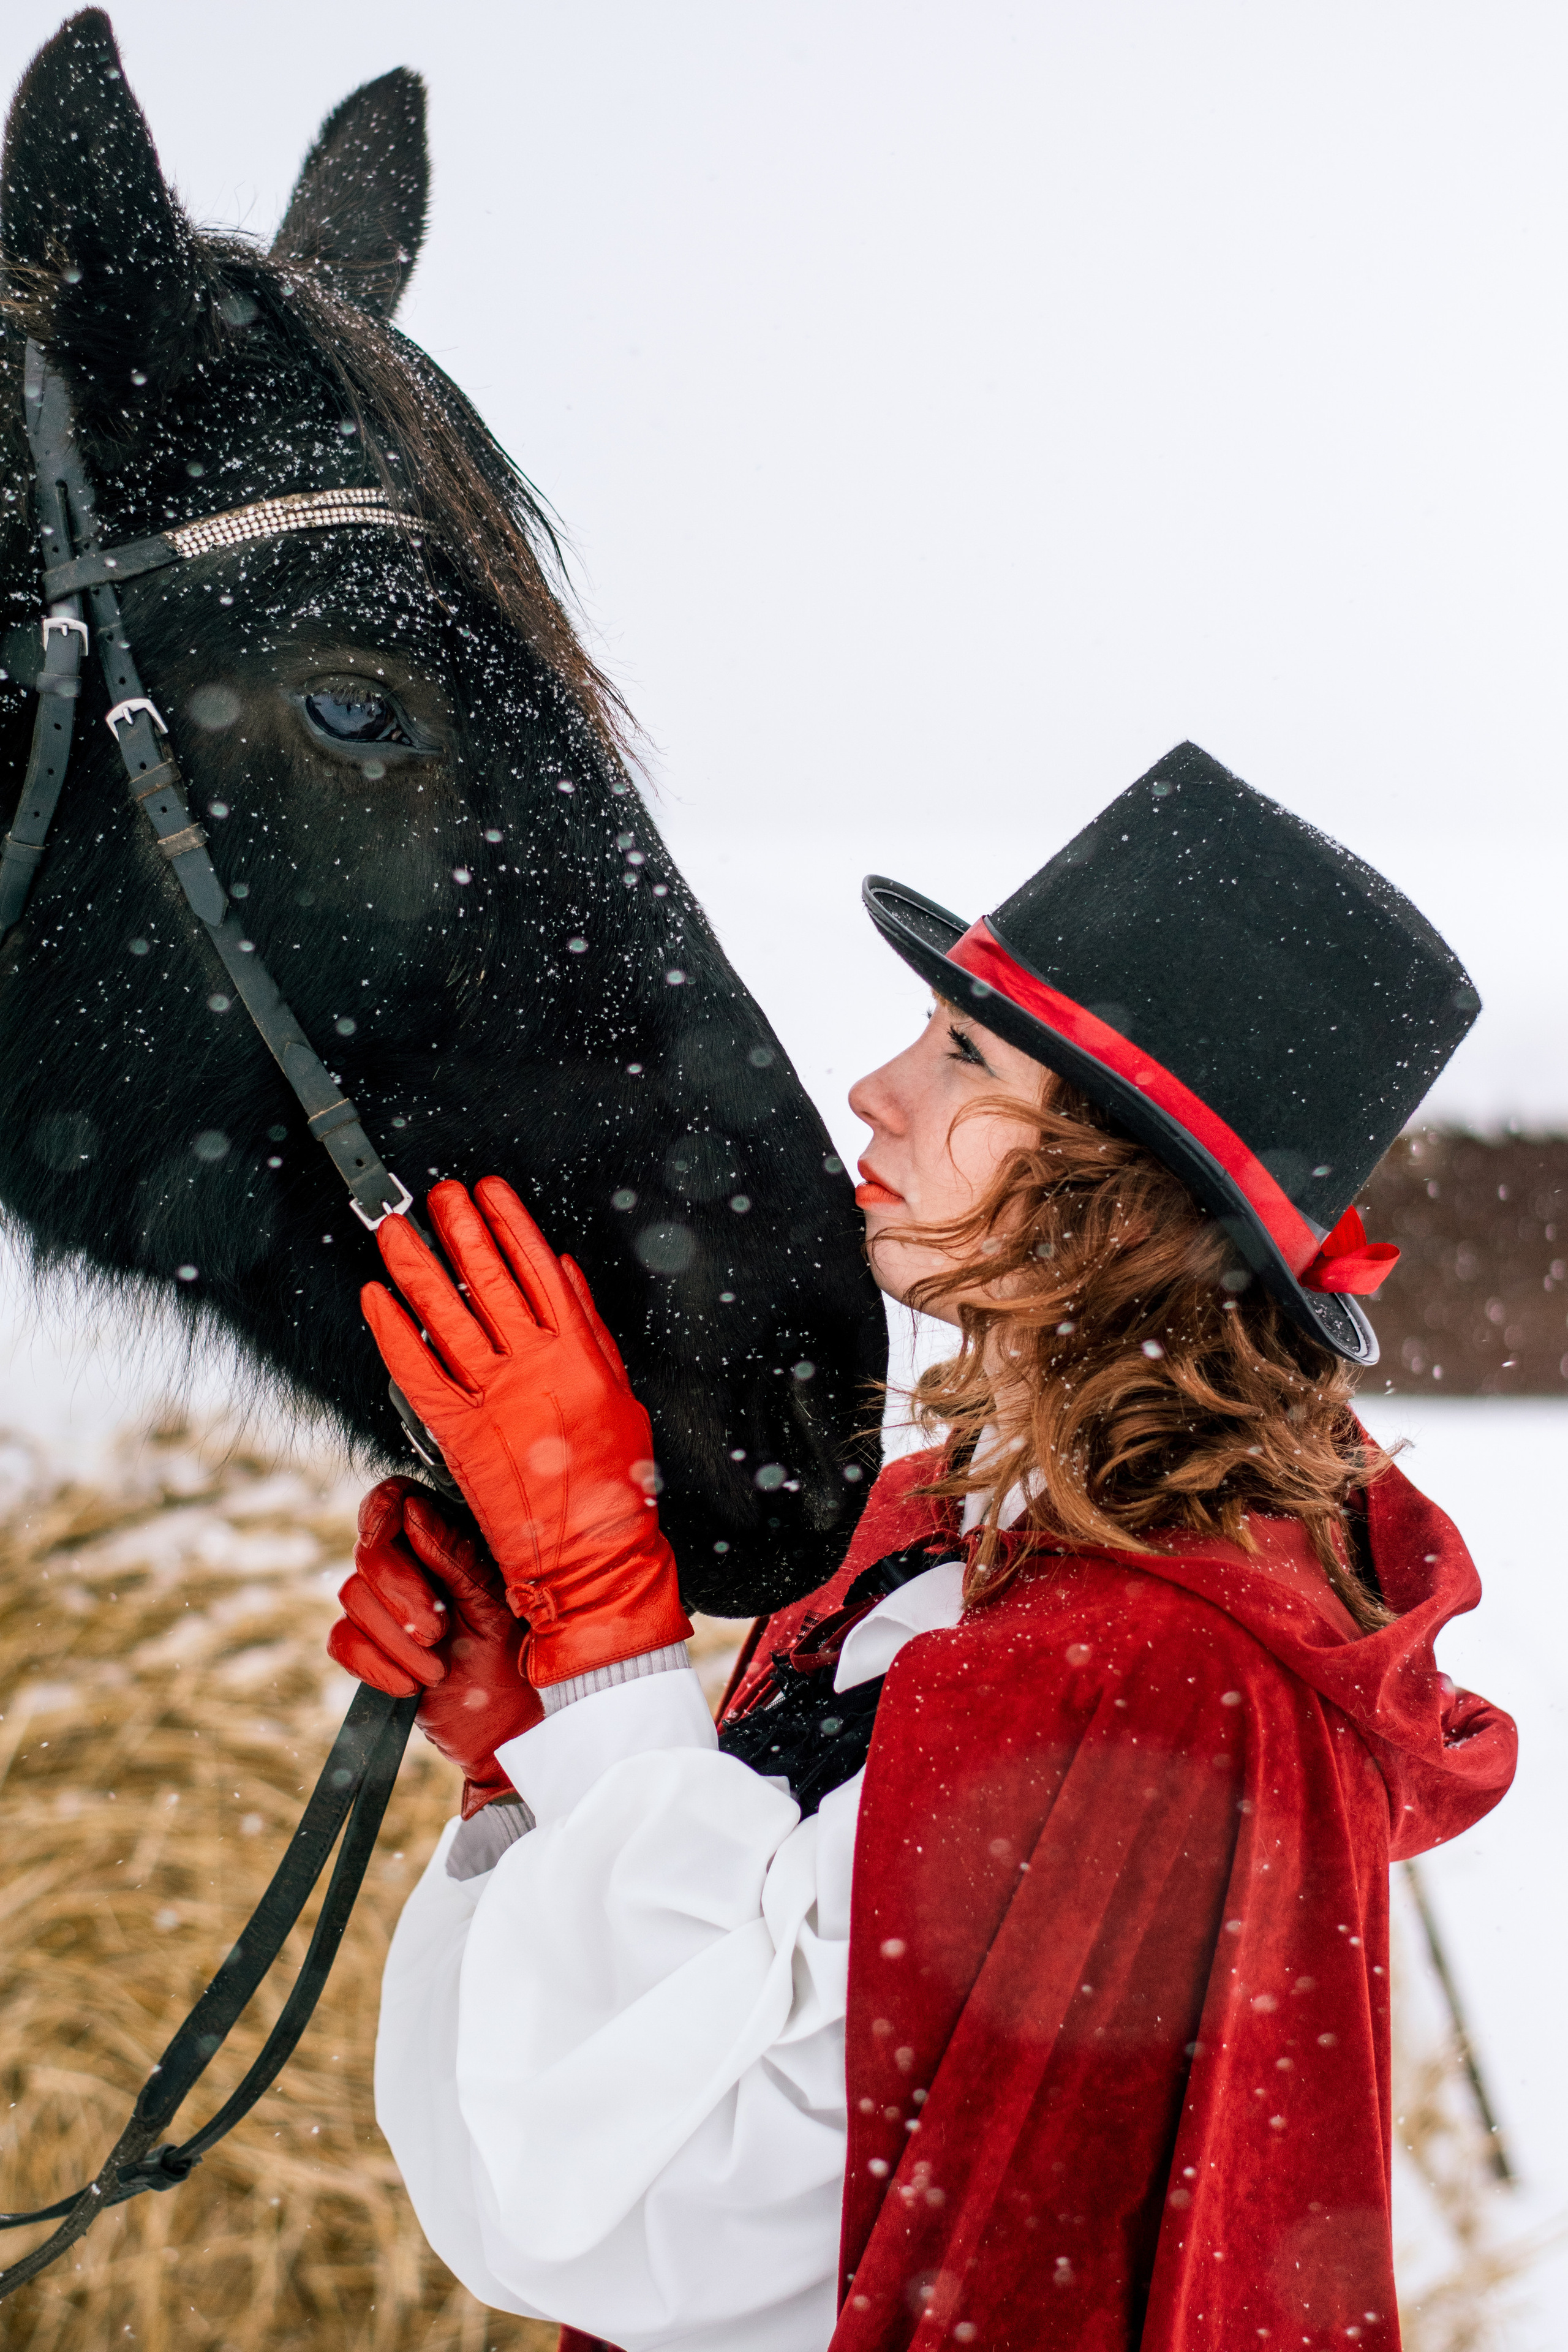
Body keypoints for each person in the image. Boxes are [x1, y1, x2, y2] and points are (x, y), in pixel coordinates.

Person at [330, 743, 1516, 2352]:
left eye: (966, 1056)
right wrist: (535, 1750)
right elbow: (572, 2177)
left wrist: (603, 1607)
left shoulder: (1160, 1678)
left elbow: (675, 2223)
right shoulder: (935, 1539)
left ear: (1117, 1191)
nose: (878, 1090)